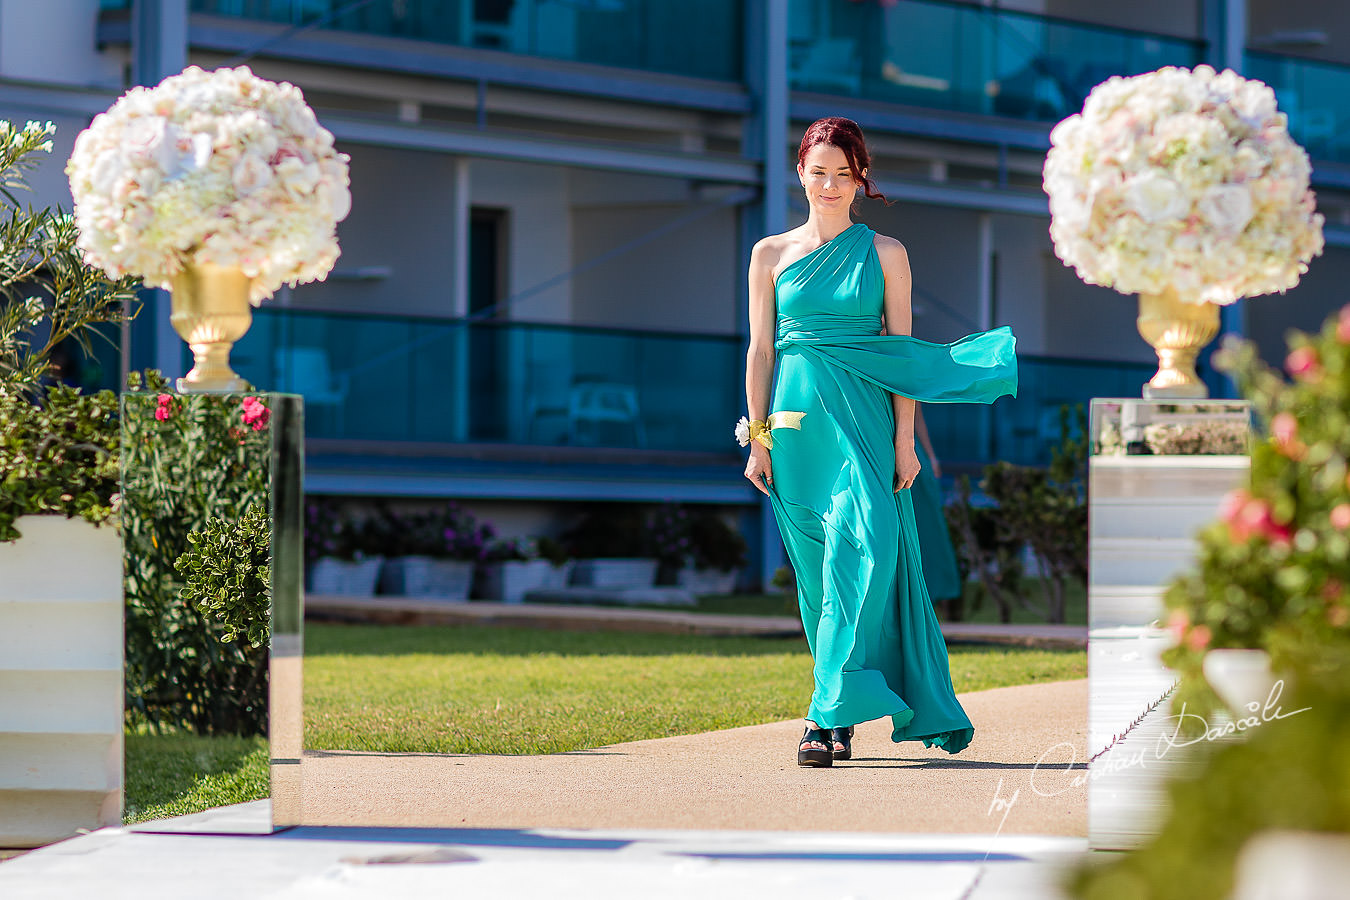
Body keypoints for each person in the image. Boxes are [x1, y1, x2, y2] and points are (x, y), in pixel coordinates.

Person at [739, 117, 1016, 767]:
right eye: (818, 172)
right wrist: (757, 440)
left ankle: (824, 715)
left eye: (843, 172)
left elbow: (901, 358)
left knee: (868, 554)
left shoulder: (886, 253)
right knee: (822, 578)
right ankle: (836, 717)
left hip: (862, 428)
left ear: (860, 177)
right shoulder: (769, 254)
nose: (830, 185)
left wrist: (904, 441)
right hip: (798, 429)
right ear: (799, 174)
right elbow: (758, 351)